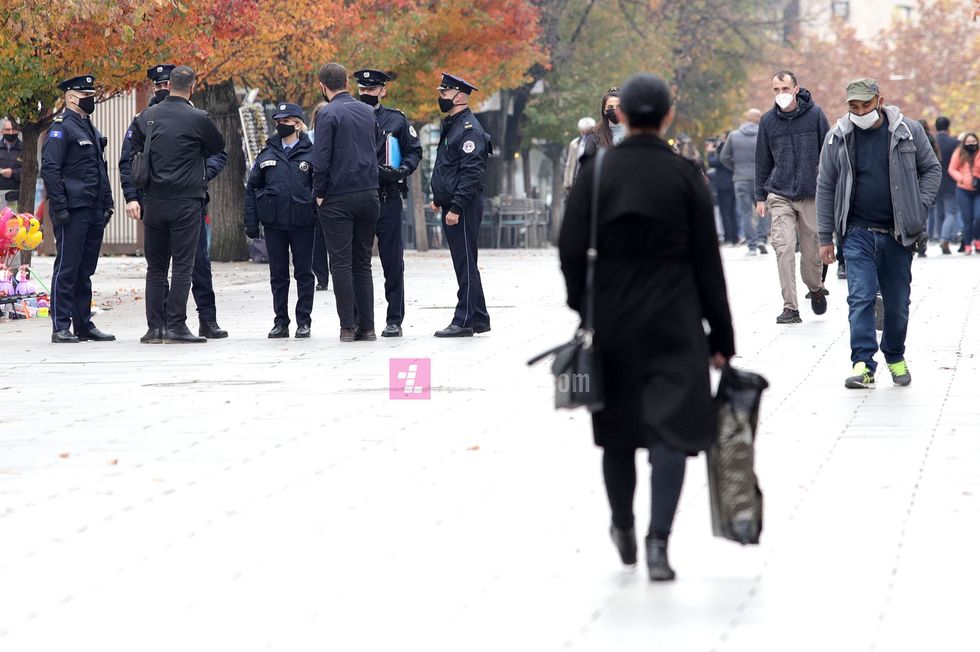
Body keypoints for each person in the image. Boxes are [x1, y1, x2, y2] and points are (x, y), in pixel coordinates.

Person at [559, 73, 735, 582]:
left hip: (612, 318)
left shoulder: (597, 172)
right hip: (676, 317)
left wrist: (583, 306)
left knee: (617, 432)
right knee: (671, 431)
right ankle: (659, 542)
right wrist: (721, 337)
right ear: (667, 116)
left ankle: (623, 526)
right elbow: (708, 263)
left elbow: (570, 247)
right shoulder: (685, 175)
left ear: (622, 115)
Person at [816, 78, 941, 389]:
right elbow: (826, 186)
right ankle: (862, 363)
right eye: (854, 106)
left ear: (879, 101)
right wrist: (824, 237)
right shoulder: (837, 137)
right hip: (856, 232)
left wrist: (919, 205)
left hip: (897, 233)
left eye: (866, 105)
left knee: (897, 303)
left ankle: (895, 355)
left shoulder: (907, 131)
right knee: (861, 298)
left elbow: (932, 169)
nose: (860, 112)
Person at [120, 64, 230, 339]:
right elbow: (217, 147)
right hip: (185, 202)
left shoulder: (146, 117)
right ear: (192, 87)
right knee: (183, 265)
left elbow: (132, 156)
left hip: (154, 202)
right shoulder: (198, 118)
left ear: (168, 86)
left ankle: (155, 327)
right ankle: (176, 325)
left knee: (156, 268)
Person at [40, 75, 116, 344]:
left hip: (93, 208)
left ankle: (83, 324)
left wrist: (107, 203)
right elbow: (50, 169)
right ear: (71, 97)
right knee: (68, 267)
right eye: (86, 95)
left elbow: (99, 168)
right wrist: (60, 206)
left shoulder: (88, 127)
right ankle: (61, 325)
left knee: (85, 270)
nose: (90, 99)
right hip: (72, 210)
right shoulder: (62, 127)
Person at [312, 62, 382, 342]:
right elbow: (374, 145)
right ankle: (368, 327)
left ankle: (347, 327)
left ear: (322, 86)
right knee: (363, 263)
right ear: (347, 83)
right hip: (369, 191)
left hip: (338, 195)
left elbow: (321, 157)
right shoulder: (367, 111)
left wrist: (319, 191)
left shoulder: (327, 113)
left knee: (340, 262)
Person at [755, 70, 831, 324]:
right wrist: (760, 196)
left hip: (811, 193)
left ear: (796, 89)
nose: (781, 94)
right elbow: (762, 160)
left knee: (811, 254)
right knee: (784, 248)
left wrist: (831, 189)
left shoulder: (816, 115)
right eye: (776, 90)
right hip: (780, 193)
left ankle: (816, 288)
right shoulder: (768, 121)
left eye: (785, 89)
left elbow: (829, 153)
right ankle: (790, 307)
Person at [354, 68, 423, 338]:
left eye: (371, 89)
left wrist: (403, 170)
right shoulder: (349, 117)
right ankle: (360, 320)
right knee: (358, 262)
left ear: (383, 90)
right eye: (362, 89)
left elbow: (414, 150)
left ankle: (394, 319)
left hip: (387, 198)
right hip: (359, 197)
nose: (366, 94)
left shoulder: (396, 119)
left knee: (393, 263)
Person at [244, 103, 316, 338]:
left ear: (297, 124)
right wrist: (251, 221)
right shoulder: (267, 153)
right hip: (274, 222)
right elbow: (252, 188)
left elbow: (321, 186)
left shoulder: (311, 153)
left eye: (285, 121)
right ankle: (281, 322)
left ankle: (303, 322)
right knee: (278, 274)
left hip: (303, 221)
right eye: (278, 122)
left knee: (304, 273)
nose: (280, 126)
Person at [430, 73, 492, 337]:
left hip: (464, 206)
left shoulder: (469, 129)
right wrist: (439, 198)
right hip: (454, 203)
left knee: (465, 263)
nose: (441, 97)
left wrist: (455, 207)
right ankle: (479, 317)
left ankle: (464, 321)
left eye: (444, 93)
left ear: (458, 96)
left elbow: (471, 174)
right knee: (465, 262)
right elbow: (448, 167)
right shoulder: (453, 124)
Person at [721, 109, 768, 255]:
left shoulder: (734, 135)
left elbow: (724, 157)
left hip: (740, 179)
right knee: (763, 210)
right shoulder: (763, 134)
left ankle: (751, 245)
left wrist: (735, 168)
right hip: (760, 179)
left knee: (746, 213)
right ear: (758, 118)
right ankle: (761, 239)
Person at [308, 100, 330, 291]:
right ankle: (321, 277)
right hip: (312, 193)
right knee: (317, 239)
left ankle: (337, 273)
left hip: (332, 193)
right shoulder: (308, 138)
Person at [948, 133, 980, 255]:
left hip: (978, 190)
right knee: (967, 219)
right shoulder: (959, 153)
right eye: (968, 142)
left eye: (974, 141)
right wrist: (961, 179)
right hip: (963, 190)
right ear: (964, 143)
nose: (971, 144)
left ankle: (977, 239)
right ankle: (967, 244)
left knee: (978, 216)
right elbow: (952, 169)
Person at [935, 117, 962, 254]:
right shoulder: (955, 143)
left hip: (934, 182)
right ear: (948, 127)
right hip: (951, 182)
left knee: (939, 213)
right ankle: (945, 239)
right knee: (951, 212)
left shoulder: (931, 141)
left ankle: (941, 237)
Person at [707, 136, 737, 245]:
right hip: (733, 184)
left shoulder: (723, 155)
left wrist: (710, 152)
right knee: (732, 211)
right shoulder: (733, 153)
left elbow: (712, 162)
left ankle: (728, 237)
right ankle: (735, 236)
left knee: (725, 213)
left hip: (723, 187)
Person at [583, 88, 624, 157]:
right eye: (610, 107)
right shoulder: (594, 135)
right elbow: (587, 161)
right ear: (604, 110)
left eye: (618, 106)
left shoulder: (635, 131)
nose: (615, 110)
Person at [563, 117, 596, 194]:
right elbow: (569, 164)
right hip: (575, 179)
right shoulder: (574, 143)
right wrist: (567, 183)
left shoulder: (597, 142)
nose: (583, 132)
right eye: (582, 130)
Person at [0, 118, 22, 209]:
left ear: (18, 131)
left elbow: (32, 171)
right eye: (7, 130)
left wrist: (12, 173)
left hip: (17, 197)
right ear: (2, 131)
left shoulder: (25, 149)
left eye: (13, 129)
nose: (11, 132)